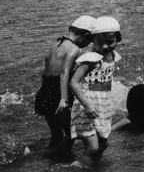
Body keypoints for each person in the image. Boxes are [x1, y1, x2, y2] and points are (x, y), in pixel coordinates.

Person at [35, 15, 94, 156]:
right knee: (71, 132)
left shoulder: (55, 44)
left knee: (55, 131)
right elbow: (63, 73)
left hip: (44, 91)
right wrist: (64, 99)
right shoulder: (73, 49)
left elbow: (48, 70)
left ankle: (50, 157)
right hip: (58, 93)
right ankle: (54, 157)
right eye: (89, 41)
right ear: (86, 36)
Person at [69, 16, 121, 161]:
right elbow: (74, 82)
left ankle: (92, 165)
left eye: (110, 42)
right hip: (87, 106)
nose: (105, 47)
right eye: (100, 42)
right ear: (92, 40)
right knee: (92, 148)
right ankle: (83, 166)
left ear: (118, 39)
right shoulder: (90, 58)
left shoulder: (112, 55)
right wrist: (87, 104)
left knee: (104, 142)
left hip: (102, 105)